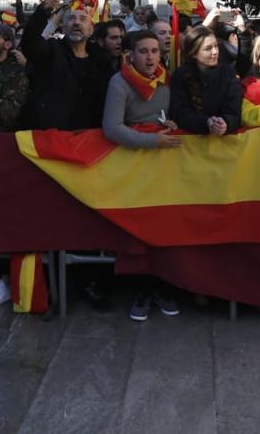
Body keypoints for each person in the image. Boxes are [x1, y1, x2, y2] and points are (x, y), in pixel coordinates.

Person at [98, 29, 182, 321]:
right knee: (138, 231)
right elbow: (112, 128)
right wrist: (151, 140)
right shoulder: (119, 82)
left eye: (155, 51)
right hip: (132, 165)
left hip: (163, 166)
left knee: (165, 227)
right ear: (130, 55)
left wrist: (173, 124)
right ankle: (141, 290)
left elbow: (174, 115)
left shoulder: (167, 79)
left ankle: (163, 285)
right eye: (144, 51)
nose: (150, 57)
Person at [20, 0, 115, 130]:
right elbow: (31, 44)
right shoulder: (51, 51)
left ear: (91, 30)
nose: (76, 22)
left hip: (89, 137)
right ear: (63, 27)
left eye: (83, 19)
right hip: (53, 136)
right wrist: (43, 10)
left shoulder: (102, 61)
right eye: (71, 18)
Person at [168, 25, 242, 135]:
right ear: (193, 53)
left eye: (216, 46)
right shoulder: (180, 75)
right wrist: (206, 123)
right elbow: (180, 113)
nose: (215, 52)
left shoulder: (228, 73)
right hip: (190, 144)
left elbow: (234, 112)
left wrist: (225, 123)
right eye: (208, 48)